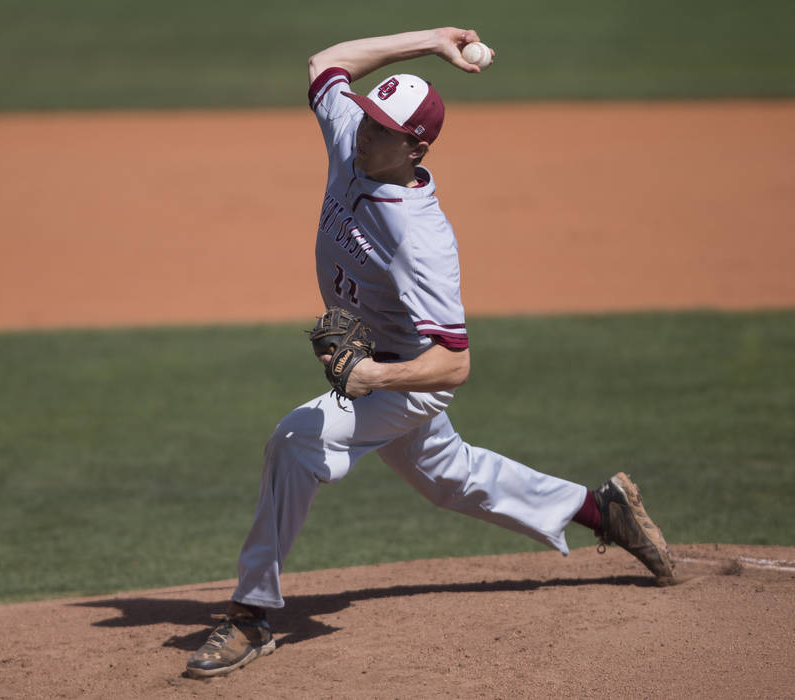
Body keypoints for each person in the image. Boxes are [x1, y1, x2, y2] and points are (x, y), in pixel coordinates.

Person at [184, 27, 675, 679]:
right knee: (451, 476)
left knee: (296, 440)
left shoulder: (423, 239)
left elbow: (454, 364)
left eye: (382, 128)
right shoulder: (351, 136)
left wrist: (371, 376)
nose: (364, 130)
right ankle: (599, 508)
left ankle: (250, 615)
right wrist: (432, 39)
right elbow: (325, 63)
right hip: (383, 365)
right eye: (367, 116)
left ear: (415, 144)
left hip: (412, 378)